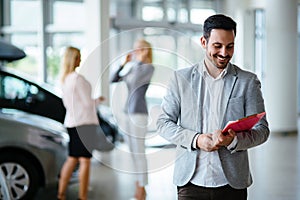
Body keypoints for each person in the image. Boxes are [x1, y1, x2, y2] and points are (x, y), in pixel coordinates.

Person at [156, 14, 270, 200]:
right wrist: (197, 140)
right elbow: (163, 123)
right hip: (190, 182)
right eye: (217, 46)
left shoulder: (247, 81)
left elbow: (262, 130)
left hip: (232, 184)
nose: (224, 53)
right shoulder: (181, 79)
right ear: (203, 41)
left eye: (230, 46)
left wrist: (232, 141)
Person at [57, 46, 109, 200]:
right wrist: (98, 100)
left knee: (72, 158)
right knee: (85, 160)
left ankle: (61, 194)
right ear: (73, 59)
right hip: (85, 123)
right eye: (78, 56)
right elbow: (87, 104)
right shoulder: (78, 79)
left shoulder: (65, 79)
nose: (80, 59)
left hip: (72, 122)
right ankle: (83, 196)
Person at [111, 39, 154, 200]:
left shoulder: (148, 68)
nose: (135, 52)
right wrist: (124, 63)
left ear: (145, 51)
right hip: (128, 113)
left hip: (139, 114)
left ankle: (141, 189)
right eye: (135, 49)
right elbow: (113, 79)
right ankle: (140, 187)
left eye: (138, 49)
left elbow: (135, 83)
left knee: (139, 152)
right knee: (133, 153)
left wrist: (139, 62)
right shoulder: (133, 68)